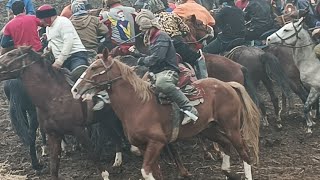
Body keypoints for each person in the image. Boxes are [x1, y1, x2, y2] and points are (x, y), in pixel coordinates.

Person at [134, 9, 198, 125]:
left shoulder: (161, 36)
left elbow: (157, 58)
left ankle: (189, 109)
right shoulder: (152, 38)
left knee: (163, 84)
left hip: (167, 70)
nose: (141, 31)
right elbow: (153, 55)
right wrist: (137, 55)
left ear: (149, 26)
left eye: (143, 28)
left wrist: (142, 60)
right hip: (156, 70)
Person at [150, 1, 208, 78]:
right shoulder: (172, 15)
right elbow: (186, 29)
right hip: (177, 43)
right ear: (162, 7)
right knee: (197, 57)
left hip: (160, 47)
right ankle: (203, 78)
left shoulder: (152, 22)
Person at [36, 5, 88, 80]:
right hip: (62, 61)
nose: (40, 22)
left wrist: (59, 61)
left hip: (75, 56)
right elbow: (53, 42)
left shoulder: (63, 22)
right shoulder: (48, 28)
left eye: (42, 19)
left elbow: (68, 42)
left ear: (47, 18)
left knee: (78, 76)